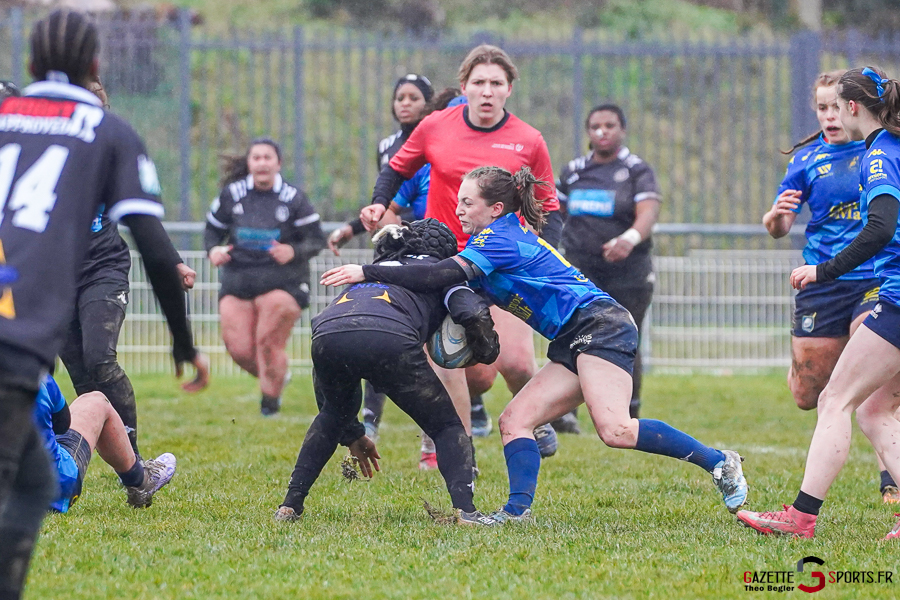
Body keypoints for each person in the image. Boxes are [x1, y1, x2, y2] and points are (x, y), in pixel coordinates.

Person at [322, 165, 749, 523]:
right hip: (571, 336)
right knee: (515, 420)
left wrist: (369, 272)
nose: (459, 208)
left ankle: (718, 461)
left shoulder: (499, 239)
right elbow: (452, 290)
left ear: (496, 208)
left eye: (468, 202)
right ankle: (515, 513)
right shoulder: (491, 241)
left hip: (600, 325)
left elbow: (439, 277)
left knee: (616, 429)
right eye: (459, 201)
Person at [0, 10, 208, 599]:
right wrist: (184, 343)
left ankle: (134, 463)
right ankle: (133, 467)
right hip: (16, 341)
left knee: (35, 477)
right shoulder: (109, 132)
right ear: (94, 65)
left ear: (32, 67)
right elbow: (153, 241)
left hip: (66, 291)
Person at [358, 44, 564, 459]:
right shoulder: (435, 126)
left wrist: (543, 257)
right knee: (455, 364)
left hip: (503, 262)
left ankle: (534, 417)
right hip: (445, 259)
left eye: (496, 83)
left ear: (509, 90)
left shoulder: (528, 140)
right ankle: (452, 454)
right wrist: (381, 201)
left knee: (511, 365)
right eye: (478, 82)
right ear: (464, 86)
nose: (487, 91)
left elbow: (549, 207)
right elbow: (398, 167)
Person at [737, 66, 900, 540]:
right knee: (872, 409)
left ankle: (800, 518)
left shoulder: (878, 156)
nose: (830, 116)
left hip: (890, 293)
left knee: (835, 400)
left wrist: (823, 269)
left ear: (852, 108)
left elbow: (881, 228)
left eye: (836, 106)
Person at [276, 219, 500, 526]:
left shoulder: (376, 268)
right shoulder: (440, 274)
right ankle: (467, 512)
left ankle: (290, 505)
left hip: (328, 331)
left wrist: (350, 430)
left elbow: (323, 389)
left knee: (331, 416)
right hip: (391, 338)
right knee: (447, 425)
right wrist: (487, 351)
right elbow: (472, 312)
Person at [58, 74, 198, 457]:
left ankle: (134, 456)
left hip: (104, 270)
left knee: (100, 359)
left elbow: (142, 218)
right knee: (82, 378)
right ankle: (112, 465)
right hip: (57, 277)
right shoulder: (45, 154)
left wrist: (173, 262)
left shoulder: (113, 155)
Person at [205, 138, 325, 416]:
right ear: (249, 164)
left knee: (267, 342)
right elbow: (212, 231)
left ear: (278, 164)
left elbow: (316, 239)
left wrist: (292, 251)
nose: (261, 163)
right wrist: (213, 250)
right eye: (256, 158)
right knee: (240, 350)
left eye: (267, 158)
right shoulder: (232, 194)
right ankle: (278, 376)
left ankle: (269, 407)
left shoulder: (294, 198)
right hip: (238, 280)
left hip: (283, 281)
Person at [556, 103, 660, 423]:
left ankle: (629, 412)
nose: (602, 131)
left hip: (628, 274)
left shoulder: (636, 170)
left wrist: (628, 239)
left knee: (627, 337)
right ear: (588, 132)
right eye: (596, 126)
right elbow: (554, 216)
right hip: (580, 271)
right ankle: (564, 413)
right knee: (571, 337)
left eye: (610, 125)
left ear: (622, 129)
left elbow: (648, 213)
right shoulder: (573, 171)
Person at [34, 375, 176, 513]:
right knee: (96, 401)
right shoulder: (37, 372)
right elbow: (62, 424)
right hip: (48, 488)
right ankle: (140, 480)